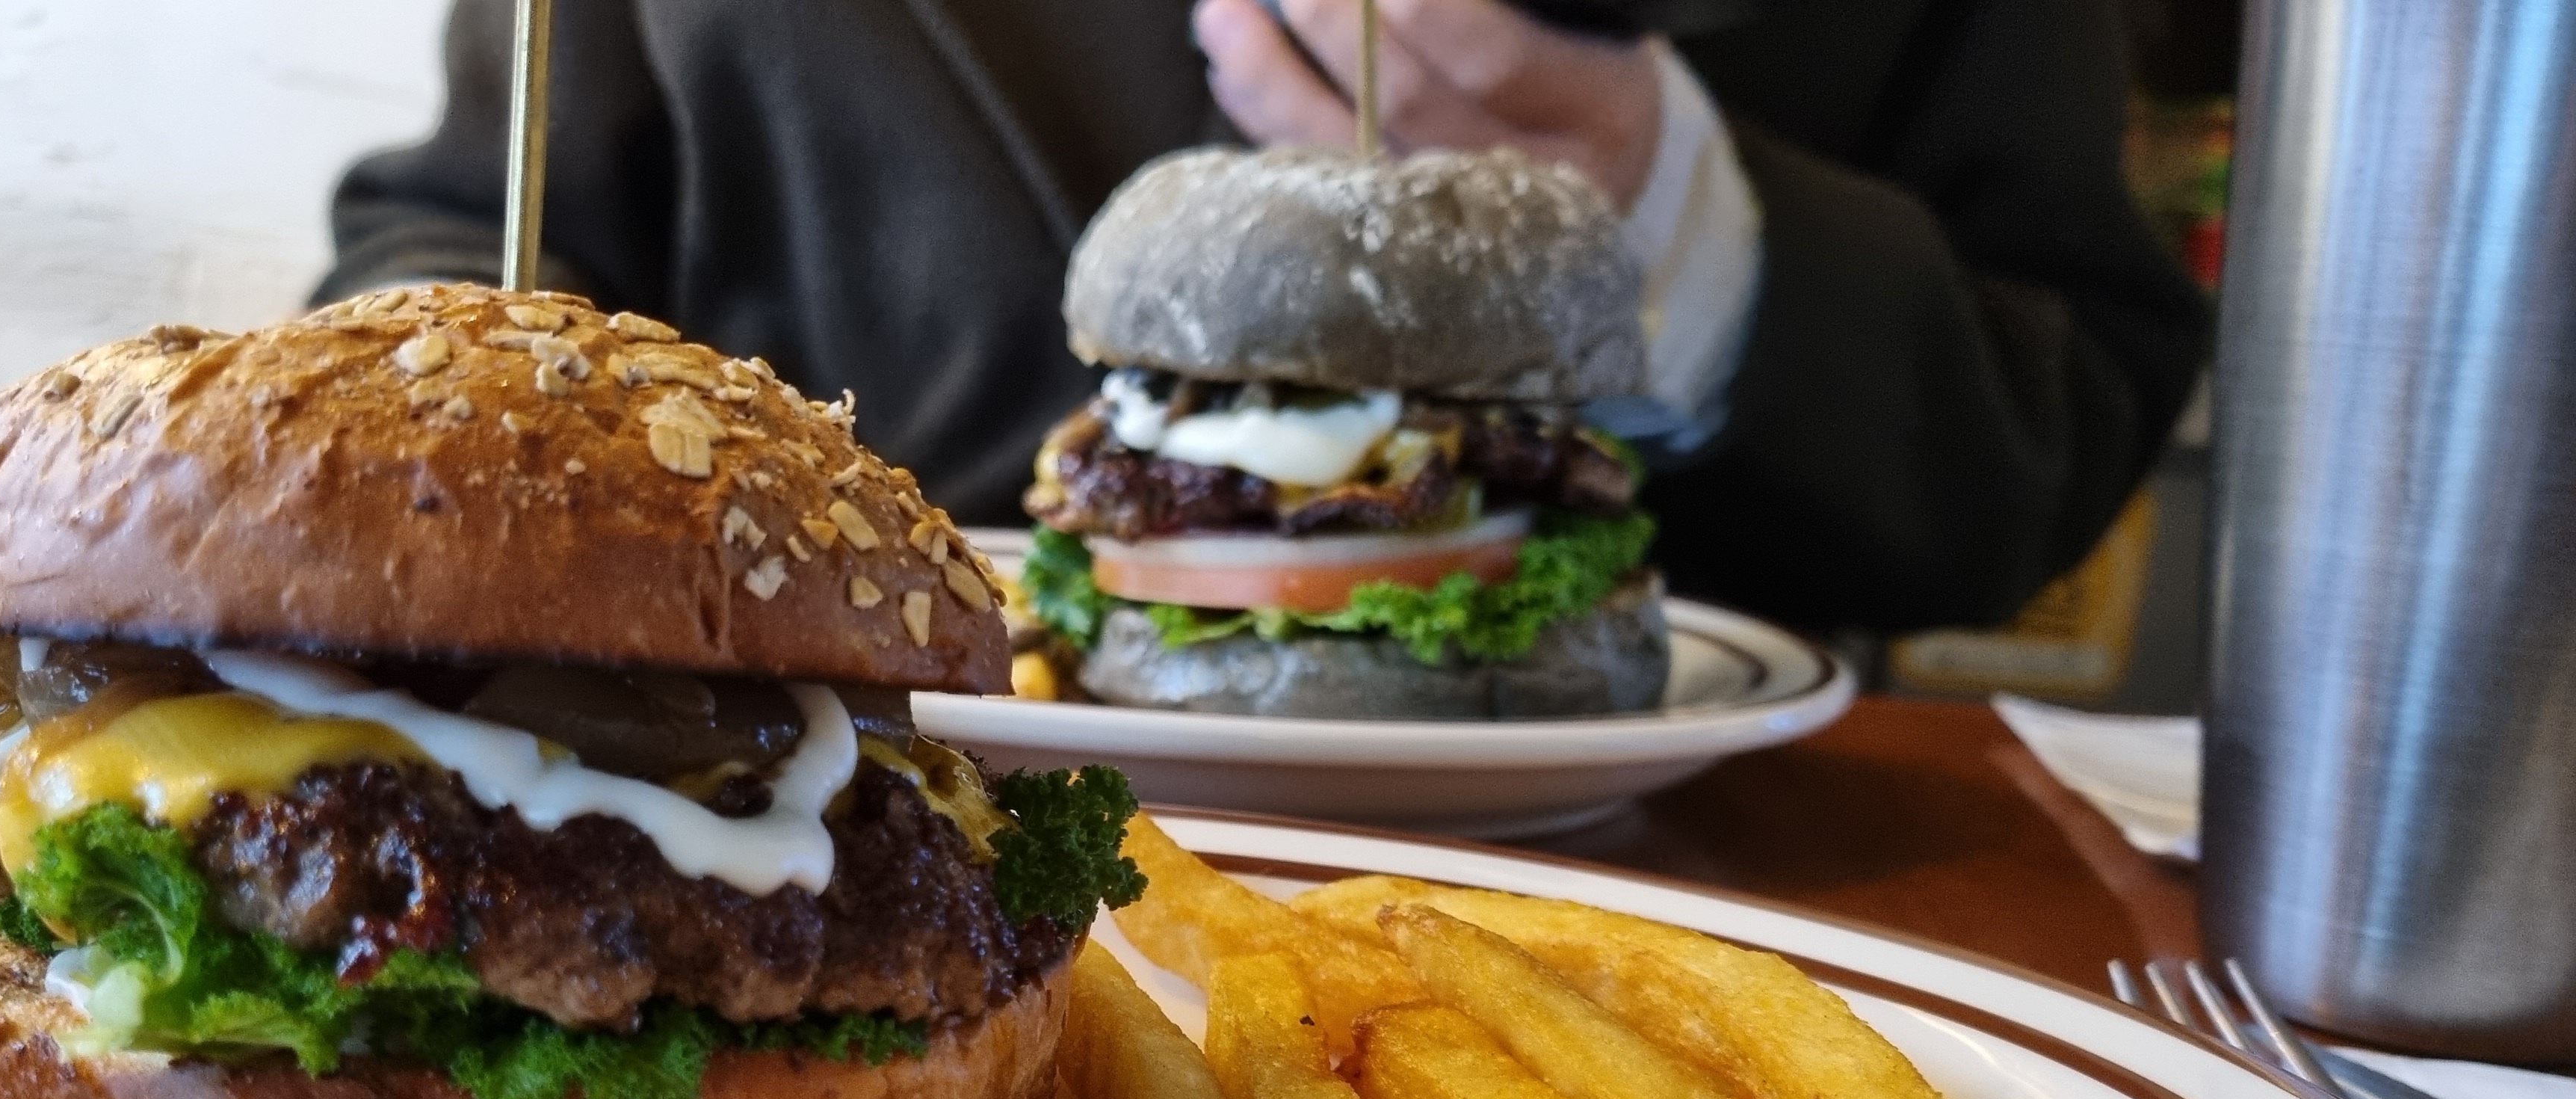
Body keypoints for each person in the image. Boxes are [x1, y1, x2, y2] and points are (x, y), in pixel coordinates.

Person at [325, 0, 2208, 634]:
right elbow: (468, 225)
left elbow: (2052, 420)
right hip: (793, 808)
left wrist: (1667, 224)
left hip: (1713, 904)